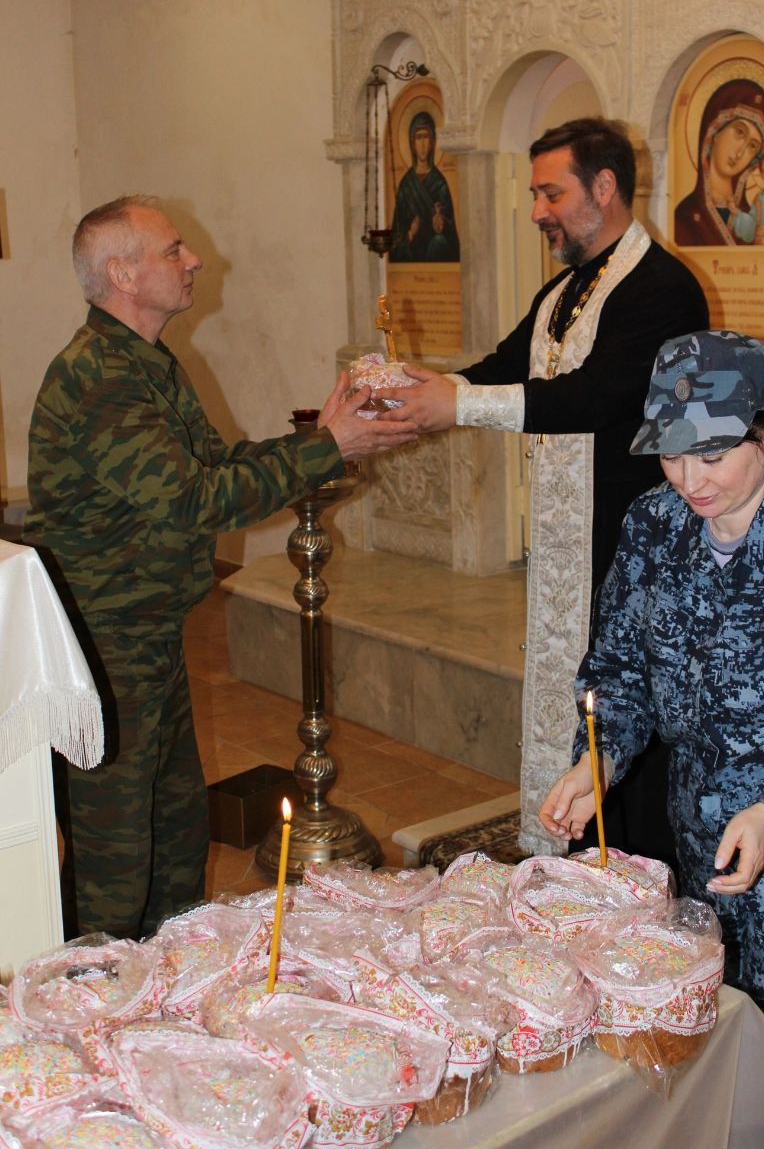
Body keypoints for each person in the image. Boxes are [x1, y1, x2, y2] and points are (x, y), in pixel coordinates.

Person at [24, 194, 415, 941]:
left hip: (146, 633)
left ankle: (172, 972)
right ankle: (94, 989)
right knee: (115, 854)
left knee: (176, 832)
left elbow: (214, 463)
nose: (194, 259)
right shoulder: (100, 377)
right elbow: (193, 500)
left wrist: (324, 439)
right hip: (103, 646)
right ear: (122, 274)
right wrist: (326, 447)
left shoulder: (143, 361)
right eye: (173, 250)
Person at [376, 117, 709, 856]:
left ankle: (634, 877)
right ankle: (576, 860)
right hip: (569, 548)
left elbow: (597, 397)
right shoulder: (565, 289)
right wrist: (427, 389)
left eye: (550, 193)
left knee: (628, 718)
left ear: (604, 187)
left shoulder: (662, 288)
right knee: (574, 701)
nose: (536, 210)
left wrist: (458, 405)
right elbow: (507, 366)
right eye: (534, 194)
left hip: (632, 545)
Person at [540, 330, 764, 1112]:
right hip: (699, 846)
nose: (689, 479)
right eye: (672, 454)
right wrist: (598, 758)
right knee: (705, 1057)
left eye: (712, 455)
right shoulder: (654, 526)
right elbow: (619, 669)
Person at [674, 78, 764, 247]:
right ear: (716, 130)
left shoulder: (751, 221)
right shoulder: (685, 217)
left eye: (752, 146)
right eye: (740, 132)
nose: (740, 152)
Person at [389, 111, 460, 263]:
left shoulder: (440, 183)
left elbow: (452, 236)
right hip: (411, 256)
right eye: (418, 138)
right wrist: (410, 233)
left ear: (433, 142)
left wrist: (441, 223)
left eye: (426, 137)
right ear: (412, 144)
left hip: (435, 256)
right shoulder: (406, 185)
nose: (422, 144)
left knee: (440, 241)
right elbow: (395, 236)